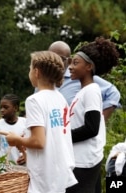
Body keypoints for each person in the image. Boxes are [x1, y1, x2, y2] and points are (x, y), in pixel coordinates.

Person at [48, 41, 121, 193]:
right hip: (78, 159)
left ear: (89, 67)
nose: (71, 67)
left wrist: (62, 137)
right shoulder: (84, 91)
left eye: (75, 63)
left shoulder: (91, 91)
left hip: (84, 161)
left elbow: (91, 128)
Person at [6, 51, 77, 193]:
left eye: (30, 68)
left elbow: (38, 142)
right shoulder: (60, 98)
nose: (29, 72)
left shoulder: (34, 100)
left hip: (45, 174)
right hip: (60, 170)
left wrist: (17, 140)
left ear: (36, 72)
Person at [48, 41, 121, 122]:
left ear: (68, 61)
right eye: (50, 58)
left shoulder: (86, 82)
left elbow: (113, 93)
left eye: (60, 58)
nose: (54, 62)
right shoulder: (42, 80)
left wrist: (100, 121)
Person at [0, 94, 26, 169]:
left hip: (23, 167)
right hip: (4, 169)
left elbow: (31, 145)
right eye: (1, 107)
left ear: (15, 108)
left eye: (6, 107)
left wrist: (26, 156)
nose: (2, 110)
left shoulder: (25, 123)